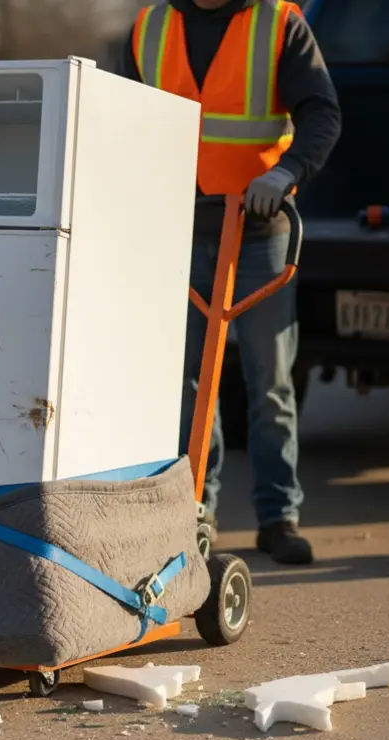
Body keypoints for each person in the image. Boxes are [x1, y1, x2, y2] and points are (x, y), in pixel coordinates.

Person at [113, 0, 341, 565]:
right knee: (187, 388)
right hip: (179, 233)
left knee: (269, 385)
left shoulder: (278, 23)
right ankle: (195, 512)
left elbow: (322, 115)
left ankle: (278, 516)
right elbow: (118, 120)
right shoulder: (151, 28)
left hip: (258, 230)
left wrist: (285, 173)